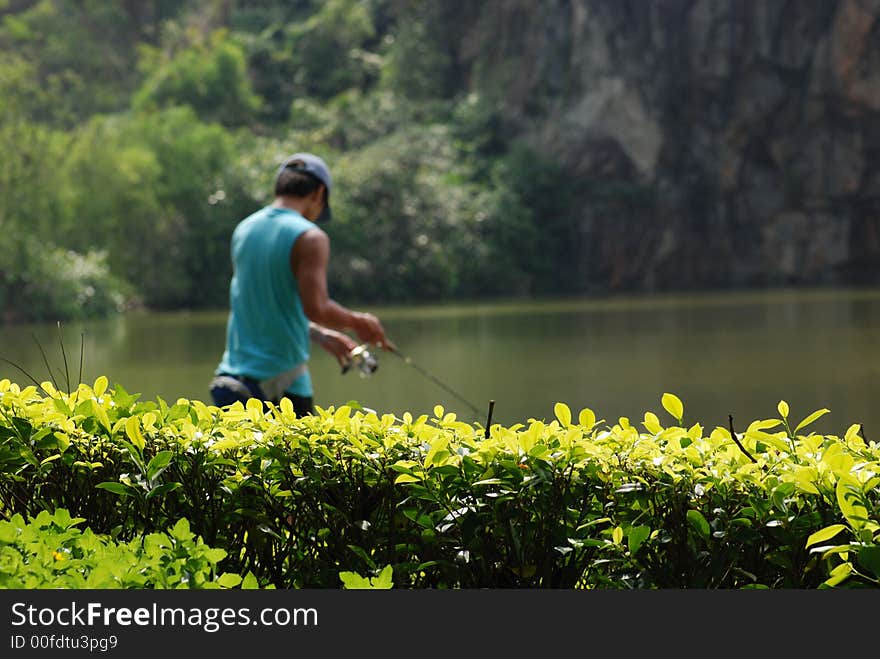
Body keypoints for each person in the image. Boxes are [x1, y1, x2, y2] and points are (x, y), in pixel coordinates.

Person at [210, 152, 390, 416]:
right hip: (281, 389)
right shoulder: (309, 236)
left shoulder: (244, 229)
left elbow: (267, 307)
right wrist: (359, 322)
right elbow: (316, 308)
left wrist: (323, 335)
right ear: (318, 193)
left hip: (232, 385)